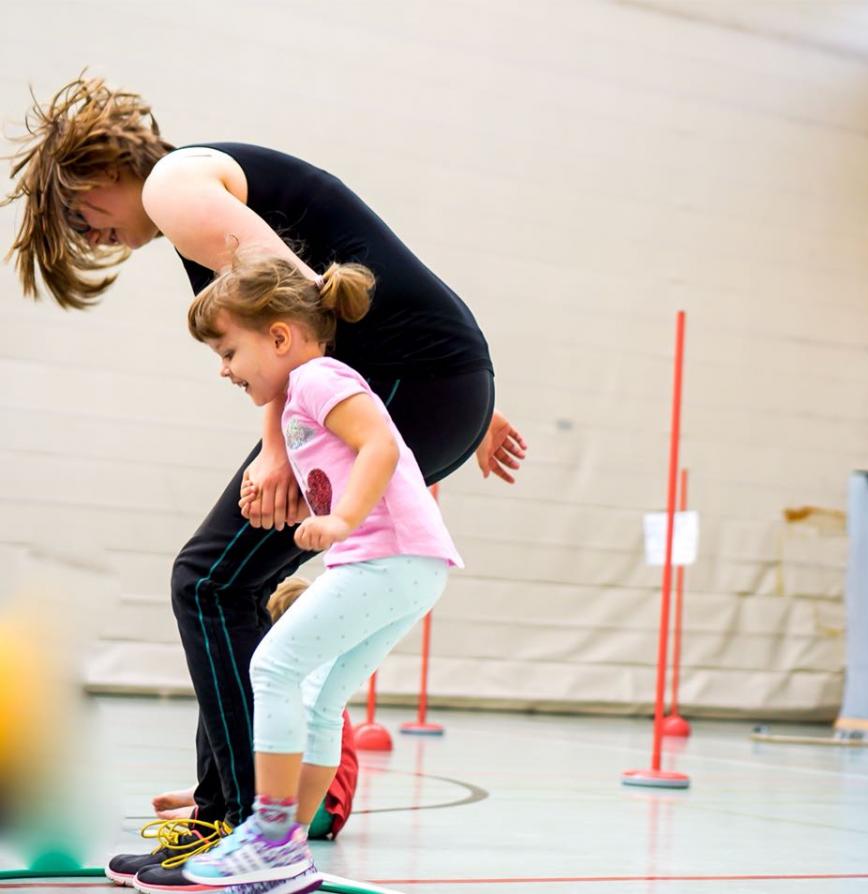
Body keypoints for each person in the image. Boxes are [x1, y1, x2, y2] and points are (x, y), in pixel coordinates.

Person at [4, 77, 525, 889]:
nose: (93, 234)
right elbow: (344, 290)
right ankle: (242, 807)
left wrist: (280, 450)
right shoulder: (196, 196)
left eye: (80, 216)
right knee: (225, 583)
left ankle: (249, 825)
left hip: (409, 380)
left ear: (99, 175)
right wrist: (469, 401)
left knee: (209, 582)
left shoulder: (175, 187)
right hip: (425, 380)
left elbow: (294, 306)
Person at [177, 254, 461, 891]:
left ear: (279, 336)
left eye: (228, 351)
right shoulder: (303, 398)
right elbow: (344, 473)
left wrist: (341, 521)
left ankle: (270, 833)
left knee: (273, 667)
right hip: (413, 565)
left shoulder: (316, 379)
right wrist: (308, 507)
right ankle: (289, 851)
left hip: (386, 557)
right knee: (321, 699)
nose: (224, 369)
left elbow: (382, 446)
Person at [145, 577, 359, 840]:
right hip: (319, 802)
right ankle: (210, 792)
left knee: (243, 716)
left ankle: (208, 803)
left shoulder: (298, 677)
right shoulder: (315, 670)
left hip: (318, 808)